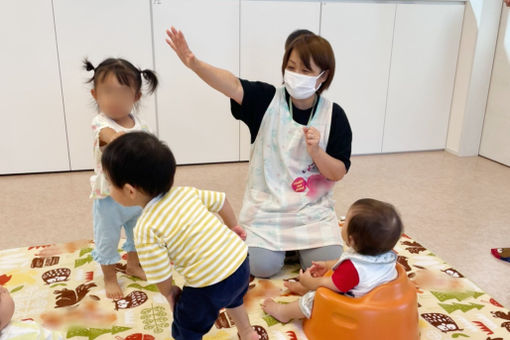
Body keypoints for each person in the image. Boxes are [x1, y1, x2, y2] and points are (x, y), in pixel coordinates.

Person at [165, 27, 352, 278]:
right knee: (260, 267)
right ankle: (283, 250)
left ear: (323, 76)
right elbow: (231, 84)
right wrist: (194, 63)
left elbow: (337, 172)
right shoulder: (266, 100)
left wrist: (316, 151)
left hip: (312, 212)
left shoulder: (333, 115)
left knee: (327, 264)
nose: (296, 75)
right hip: (268, 210)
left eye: (306, 71)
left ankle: (297, 249)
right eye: (292, 67)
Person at [100, 132, 258, 340]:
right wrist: (233, 226)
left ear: (130, 191)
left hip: (208, 285)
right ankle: (247, 332)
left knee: (186, 327)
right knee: (233, 298)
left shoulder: (146, 227)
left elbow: (160, 271)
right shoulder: (186, 193)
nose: (108, 189)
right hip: (240, 265)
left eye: (110, 184)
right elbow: (222, 201)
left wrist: (169, 292)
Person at [84, 57, 158, 299]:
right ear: (95, 94)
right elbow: (110, 137)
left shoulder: (142, 125)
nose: (114, 100)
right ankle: (109, 278)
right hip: (109, 197)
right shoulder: (100, 123)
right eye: (108, 93)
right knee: (107, 237)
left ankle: (133, 265)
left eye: (122, 94)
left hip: (135, 195)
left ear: (135, 96)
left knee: (138, 233)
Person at [262, 198, 403, 323]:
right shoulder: (384, 254)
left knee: (314, 299)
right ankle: (302, 289)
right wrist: (328, 265)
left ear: (351, 239)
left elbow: (329, 284)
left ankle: (283, 312)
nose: (342, 222)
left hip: (352, 306)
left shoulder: (352, 269)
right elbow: (347, 261)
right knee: (324, 281)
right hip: (379, 298)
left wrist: (309, 282)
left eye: (345, 221)